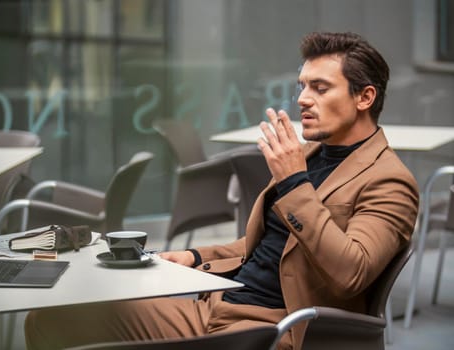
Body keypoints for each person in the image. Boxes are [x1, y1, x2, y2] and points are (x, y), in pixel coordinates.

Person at [24, 31, 419, 350]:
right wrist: (194, 255)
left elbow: (351, 273)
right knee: (52, 317)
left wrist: (294, 183)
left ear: (364, 97)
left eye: (320, 88)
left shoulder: (389, 181)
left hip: (269, 329)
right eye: (302, 86)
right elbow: (262, 246)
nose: (302, 99)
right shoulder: (313, 154)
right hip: (215, 306)